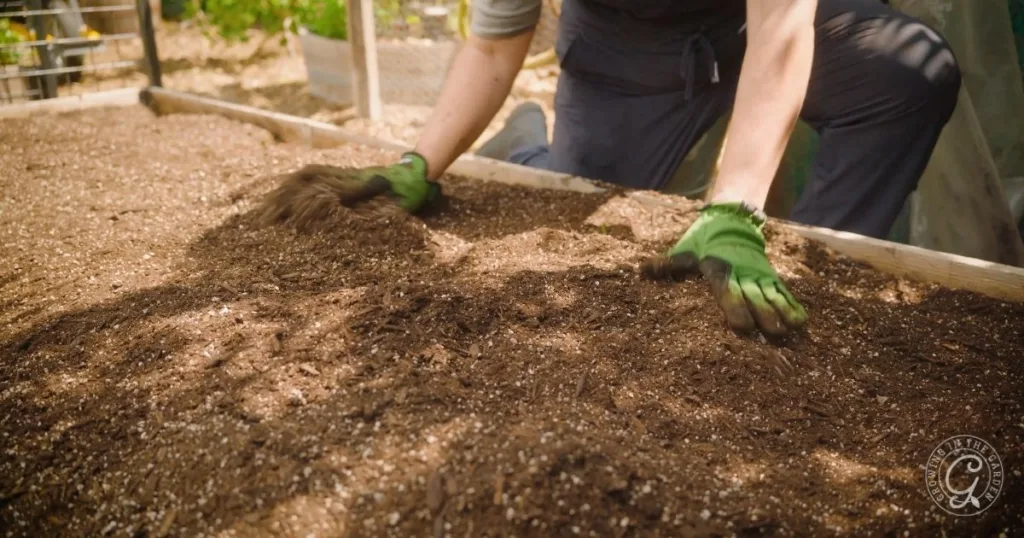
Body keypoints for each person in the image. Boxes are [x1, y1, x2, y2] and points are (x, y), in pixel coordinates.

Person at [332, 0, 962, 336]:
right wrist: (421, 163)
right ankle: (524, 146)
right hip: (623, 44)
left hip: (753, 20)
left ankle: (806, 286)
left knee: (905, 74)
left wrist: (735, 211)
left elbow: (782, 25)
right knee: (584, 185)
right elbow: (495, 45)